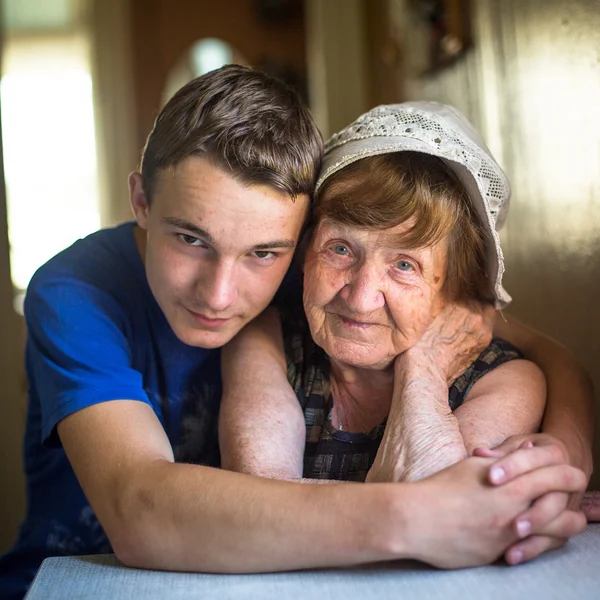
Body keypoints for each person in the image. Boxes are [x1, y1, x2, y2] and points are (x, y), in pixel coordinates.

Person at [0, 66, 591, 600]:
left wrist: (568, 462)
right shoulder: (74, 293)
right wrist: (421, 516)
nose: (220, 294)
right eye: (190, 238)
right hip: (72, 576)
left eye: (263, 251)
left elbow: (535, 347)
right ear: (141, 200)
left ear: (300, 238)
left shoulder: (319, 283)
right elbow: (140, 509)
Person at [219, 102, 548, 483]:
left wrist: (422, 368)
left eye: (405, 265)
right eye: (340, 248)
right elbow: (264, 505)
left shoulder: (505, 381)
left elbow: (440, 524)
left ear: (454, 289)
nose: (360, 298)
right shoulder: (268, 339)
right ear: (306, 252)